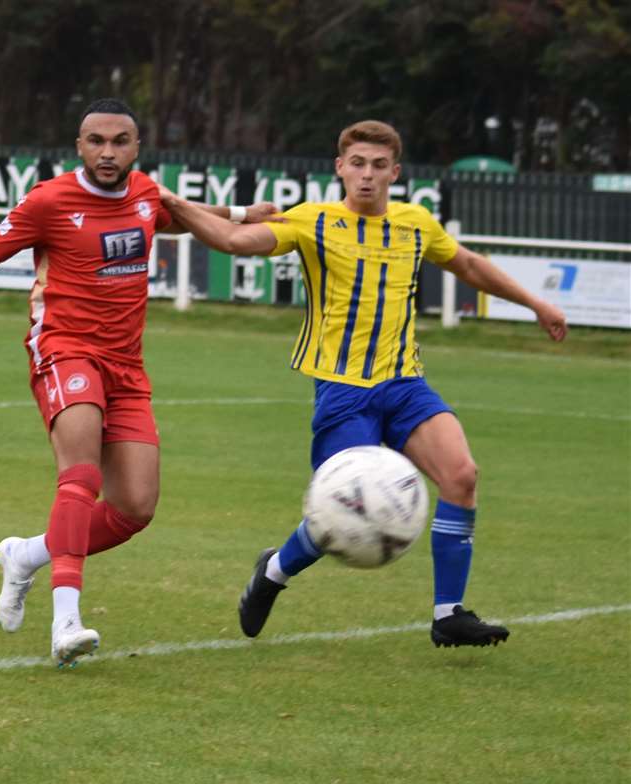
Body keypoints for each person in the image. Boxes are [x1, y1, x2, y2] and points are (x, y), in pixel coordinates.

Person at [0, 98, 269, 666]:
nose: (108, 152)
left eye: (120, 141)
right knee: (79, 478)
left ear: (137, 146)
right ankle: (66, 623)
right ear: (79, 146)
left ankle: (28, 555)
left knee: (134, 508)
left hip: (126, 365)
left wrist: (239, 214)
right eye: (96, 141)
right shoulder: (51, 201)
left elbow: (178, 211)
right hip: (64, 351)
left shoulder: (144, 192)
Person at [156, 119, 568, 648]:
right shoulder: (312, 221)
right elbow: (235, 241)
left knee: (461, 475)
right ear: (340, 169)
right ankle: (274, 572)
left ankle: (449, 615)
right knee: (342, 513)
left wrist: (536, 303)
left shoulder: (416, 223)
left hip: (405, 385)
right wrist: (179, 203)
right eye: (357, 164)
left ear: (395, 172)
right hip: (342, 391)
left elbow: (465, 263)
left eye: (378, 166)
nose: (367, 176)